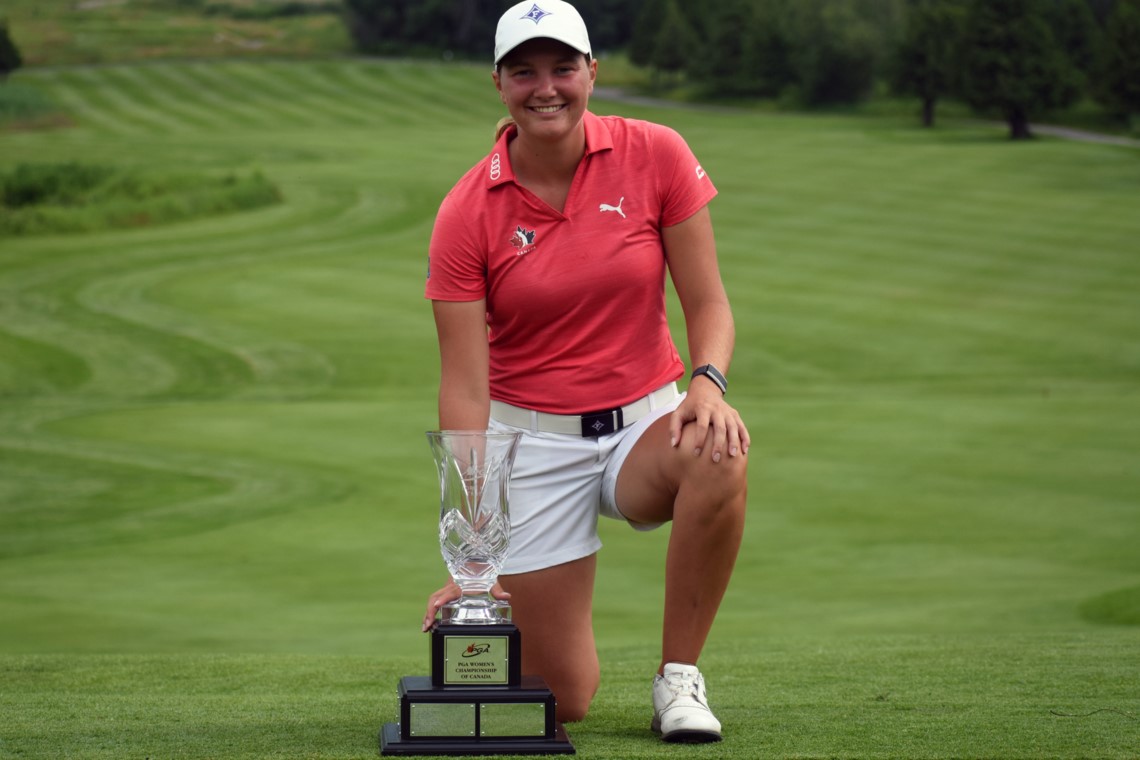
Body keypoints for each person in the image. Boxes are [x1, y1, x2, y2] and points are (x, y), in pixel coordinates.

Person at [421, 0, 748, 744]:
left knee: (719, 448)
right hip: (531, 444)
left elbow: (710, 302)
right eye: (525, 71)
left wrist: (707, 381)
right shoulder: (466, 211)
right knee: (561, 699)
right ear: (498, 84)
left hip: (644, 424)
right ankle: (472, 623)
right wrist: (474, 549)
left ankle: (678, 679)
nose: (547, 87)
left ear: (592, 73)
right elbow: (466, 386)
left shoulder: (656, 152)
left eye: (563, 68)